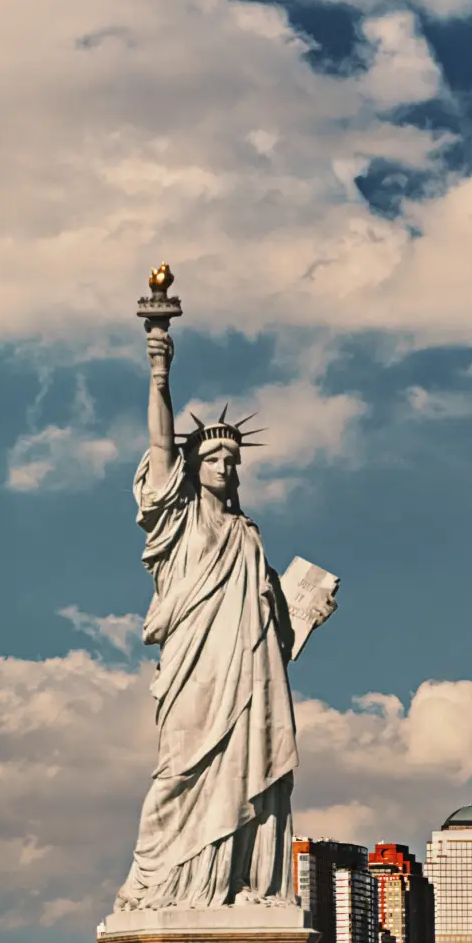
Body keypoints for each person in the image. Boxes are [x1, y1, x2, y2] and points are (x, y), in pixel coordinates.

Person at [114, 313, 323, 910]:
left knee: (250, 768)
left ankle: (240, 886)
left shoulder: (248, 534)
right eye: (215, 459)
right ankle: (162, 888)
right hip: (193, 668)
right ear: (192, 467)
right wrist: (159, 369)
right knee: (179, 770)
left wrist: (307, 612)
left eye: (234, 461)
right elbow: (160, 445)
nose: (227, 468)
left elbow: (272, 633)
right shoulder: (176, 522)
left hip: (250, 678)